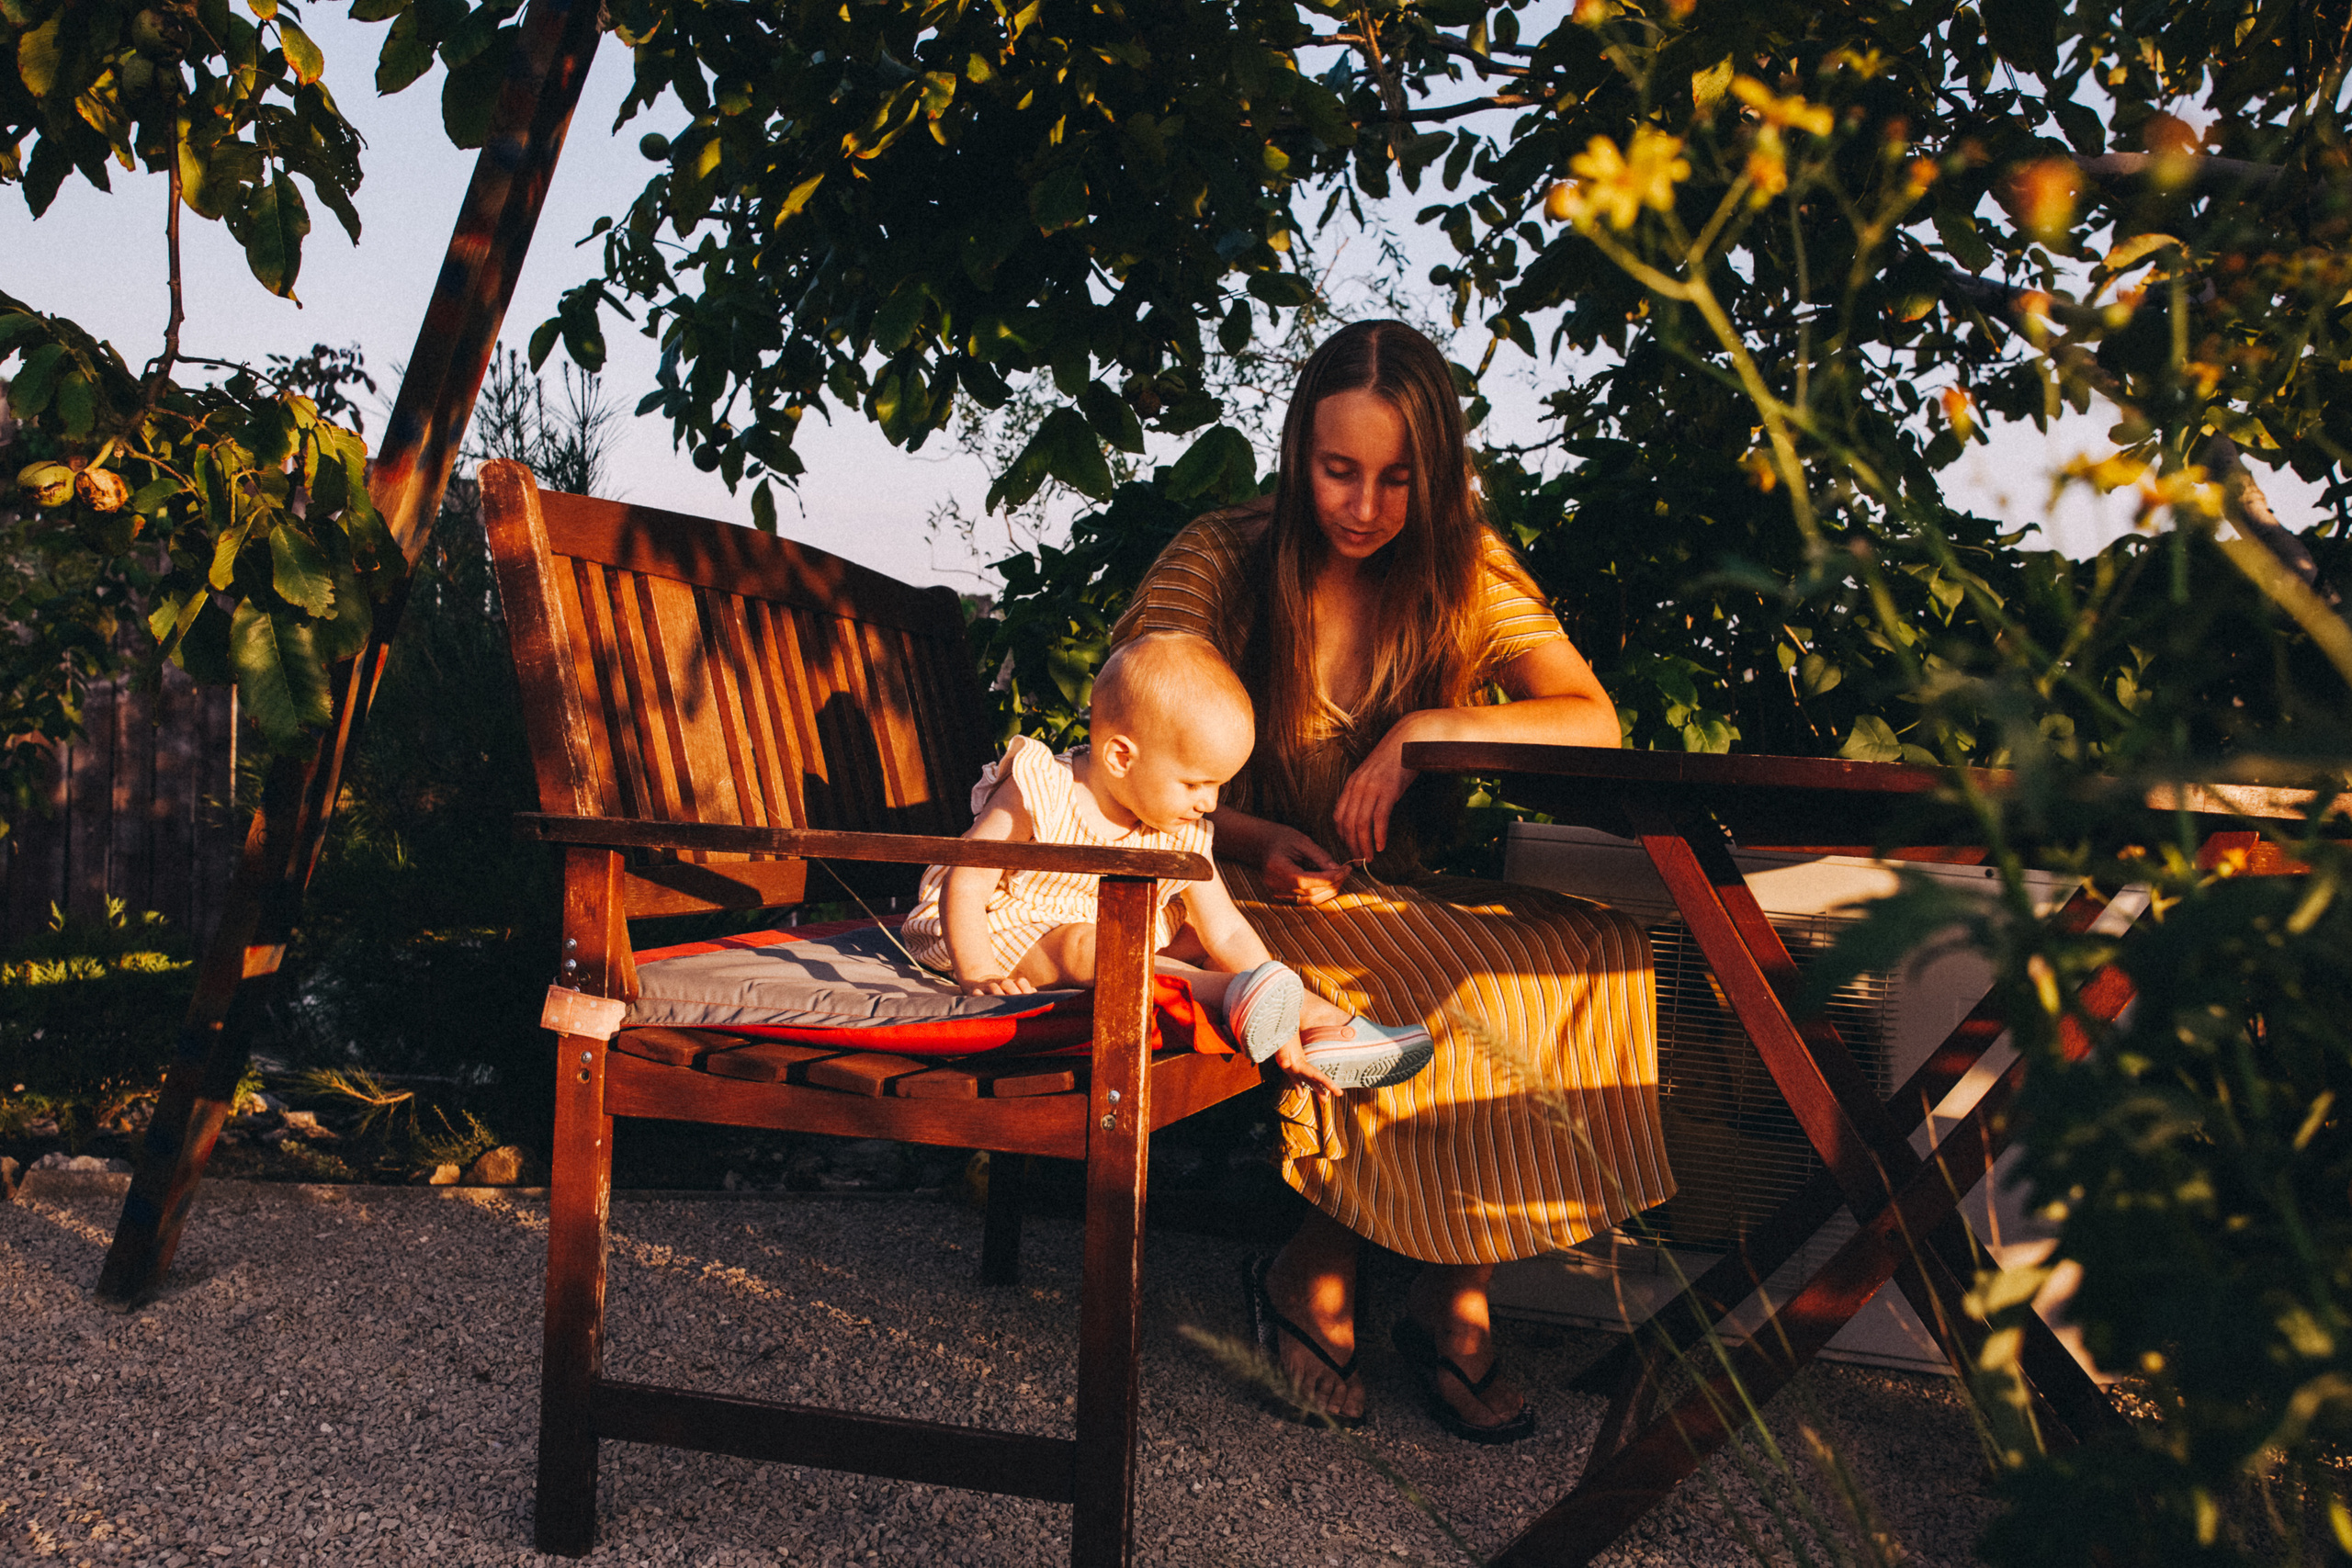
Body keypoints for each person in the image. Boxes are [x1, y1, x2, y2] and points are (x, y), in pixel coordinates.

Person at [1108, 320, 1674, 1442]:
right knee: (1422, 976)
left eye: (1396, 479)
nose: (1362, 507)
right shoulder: (1223, 555)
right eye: (1337, 471)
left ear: (1440, 472)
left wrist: (1421, 729)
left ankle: (1432, 1265)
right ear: (1295, 452)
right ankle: (1347, 1277)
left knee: (1595, 944)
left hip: (1374, 895)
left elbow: (1593, 721)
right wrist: (1258, 833)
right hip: (1226, 889)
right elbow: (1125, 747)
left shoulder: (1463, 569)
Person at [899, 630, 1436, 1091]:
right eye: (1196, 783)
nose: (1209, 803)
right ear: (1120, 756)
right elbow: (967, 878)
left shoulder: (1177, 826)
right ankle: (1249, 1000)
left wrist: (1282, 1030)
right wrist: (977, 973)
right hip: (1001, 934)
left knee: (1195, 938)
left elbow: (1225, 931)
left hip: (1113, 932)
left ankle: (1307, 1024)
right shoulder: (1044, 786)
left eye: (1218, 786)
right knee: (1087, 942)